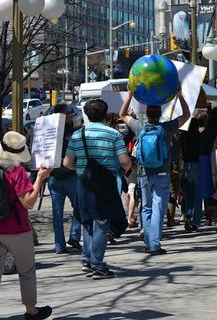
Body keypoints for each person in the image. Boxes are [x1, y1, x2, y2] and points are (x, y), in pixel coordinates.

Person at [64, 99, 132, 279]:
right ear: (105, 114)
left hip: (83, 184)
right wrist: (122, 168)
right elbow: (125, 161)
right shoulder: (113, 135)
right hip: (105, 185)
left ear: (86, 114)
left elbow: (66, 163)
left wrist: (81, 170)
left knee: (87, 221)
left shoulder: (77, 136)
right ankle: (98, 264)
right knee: (101, 223)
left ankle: (86, 259)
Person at [119, 90, 190, 254]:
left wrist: (129, 95)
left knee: (146, 208)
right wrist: (179, 95)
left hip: (144, 173)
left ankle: (148, 242)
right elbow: (186, 115)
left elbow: (122, 114)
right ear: (160, 114)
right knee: (159, 207)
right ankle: (155, 244)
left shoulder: (140, 127)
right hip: (163, 173)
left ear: (147, 114)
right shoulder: (167, 128)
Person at [0, 131, 53, 320]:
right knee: (27, 271)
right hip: (16, 229)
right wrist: (40, 178)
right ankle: (32, 311)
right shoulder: (17, 172)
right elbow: (28, 203)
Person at [47, 104, 82, 254]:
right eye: (69, 113)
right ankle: (74, 237)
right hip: (69, 175)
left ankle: (60, 245)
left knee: (57, 213)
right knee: (79, 207)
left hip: (54, 176)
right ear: (64, 115)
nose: (71, 116)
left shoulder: (48, 131)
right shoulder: (71, 131)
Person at [179, 116, 202, 231]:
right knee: (198, 196)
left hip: (186, 166)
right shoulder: (200, 137)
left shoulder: (183, 136)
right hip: (197, 166)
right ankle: (196, 222)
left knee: (188, 195)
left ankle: (188, 214)